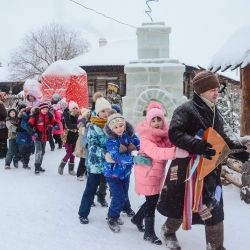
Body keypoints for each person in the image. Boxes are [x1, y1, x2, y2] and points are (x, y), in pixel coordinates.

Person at [157, 71, 250, 250]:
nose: (216, 93)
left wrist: (237, 151)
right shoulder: (185, 109)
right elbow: (174, 133)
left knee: (213, 205)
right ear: (201, 91)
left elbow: (220, 139)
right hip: (188, 168)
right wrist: (196, 145)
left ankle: (215, 246)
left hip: (210, 167)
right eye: (212, 89)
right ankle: (168, 231)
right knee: (181, 203)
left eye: (217, 89)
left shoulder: (215, 111)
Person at [131, 103, 189, 245]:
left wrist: (185, 143)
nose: (156, 123)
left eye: (159, 119)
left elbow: (172, 143)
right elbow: (156, 152)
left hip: (157, 174)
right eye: (153, 120)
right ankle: (148, 233)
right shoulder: (145, 137)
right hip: (147, 174)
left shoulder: (164, 135)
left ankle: (137, 219)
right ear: (148, 121)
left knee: (153, 200)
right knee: (152, 203)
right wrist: (175, 153)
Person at [103, 109, 145, 233]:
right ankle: (112, 217)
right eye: (115, 127)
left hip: (125, 172)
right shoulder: (111, 141)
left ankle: (125, 208)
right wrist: (134, 158)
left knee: (124, 193)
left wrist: (146, 149)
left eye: (121, 125)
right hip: (113, 173)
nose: (119, 129)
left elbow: (140, 144)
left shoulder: (128, 135)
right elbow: (116, 158)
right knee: (119, 196)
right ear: (111, 129)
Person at [78, 92, 111, 224]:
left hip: (109, 163)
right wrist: (105, 154)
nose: (105, 113)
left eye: (108, 110)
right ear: (97, 112)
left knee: (110, 187)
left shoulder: (111, 125)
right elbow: (91, 146)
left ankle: (113, 212)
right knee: (91, 188)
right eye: (103, 111)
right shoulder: (93, 126)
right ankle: (83, 213)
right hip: (95, 164)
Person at [27, 102, 59, 174]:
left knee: (43, 152)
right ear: (40, 109)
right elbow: (28, 125)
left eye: (46, 109)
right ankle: (36, 167)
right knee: (39, 151)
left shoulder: (49, 115)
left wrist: (56, 125)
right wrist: (33, 133)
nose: (45, 110)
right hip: (37, 136)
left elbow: (54, 122)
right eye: (43, 109)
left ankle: (39, 165)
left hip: (45, 136)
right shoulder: (36, 115)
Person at [58, 101, 79, 176]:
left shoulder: (78, 116)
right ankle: (61, 166)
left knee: (73, 153)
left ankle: (71, 169)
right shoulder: (67, 115)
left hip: (75, 136)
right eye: (73, 108)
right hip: (68, 136)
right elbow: (69, 125)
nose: (75, 109)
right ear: (70, 108)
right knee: (69, 153)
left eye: (76, 108)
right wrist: (78, 125)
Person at [73, 108, 90, 181]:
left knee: (88, 161)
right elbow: (81, 132)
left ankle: (86, 173)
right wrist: (85, 126)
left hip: (87, 145)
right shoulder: (82, 124)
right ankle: (79, 174)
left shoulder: (90, 123)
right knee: (83, 160)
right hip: (82, 145)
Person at [0, 92, 8, 159]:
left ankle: (3, 152)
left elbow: (4, 114)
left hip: (1, 124)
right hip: (1, 124)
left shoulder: (0, 105)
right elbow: (4, 114)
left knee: (2, 138)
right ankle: (3, 152)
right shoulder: (1, 105)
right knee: (3, 138)